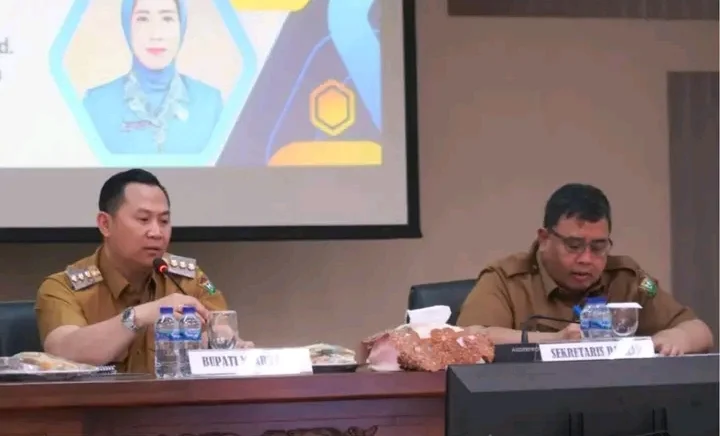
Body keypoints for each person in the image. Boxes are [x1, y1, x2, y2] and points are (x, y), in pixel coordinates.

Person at [457, 183, 714, 356]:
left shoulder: (630, 279)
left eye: (599, 247)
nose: (587, 259)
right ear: (544, 239)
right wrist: (555, 342)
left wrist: (677, 337)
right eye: (574, 246)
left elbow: (699, 330)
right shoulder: (505, 279)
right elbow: (467, 339)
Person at [35, 169, 252, 373]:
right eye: (143, 220)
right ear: (105, 224)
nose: (156, 232)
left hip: (173, 400)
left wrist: (221, 343)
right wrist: (139, 316)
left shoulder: (189, 279)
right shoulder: (63, 287)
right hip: (98, 402)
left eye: (164, 221)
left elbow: (221, 329)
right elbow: (63, 350)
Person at [83, 0, 223, 155]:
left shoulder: (211, 103)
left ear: (181, 26)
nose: (156, 35)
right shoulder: (95, 104)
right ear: (127, 25)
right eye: (143, 19)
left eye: (167, 18)